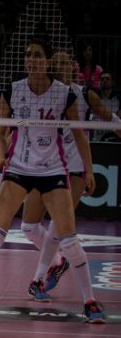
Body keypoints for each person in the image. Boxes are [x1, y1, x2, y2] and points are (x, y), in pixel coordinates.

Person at [0, 39, 106, 324]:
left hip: (53, 170)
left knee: (69, 240)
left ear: (47, 61)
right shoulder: (12, 90)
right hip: (19, 168)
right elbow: (1, 132)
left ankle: (90, 302)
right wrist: (0, 155)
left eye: (38, 55)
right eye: (28, 55)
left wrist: (89, 171)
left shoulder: (64, 94)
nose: (32, 60)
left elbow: (79, 134)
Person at [19, 50, 120, 301]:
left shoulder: (85, 94)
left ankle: (37, 280)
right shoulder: (43, 91)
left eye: (65, 62)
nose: (60, 65)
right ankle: (58, 260)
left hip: (73, 166)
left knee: (58, 223)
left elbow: (111, 120)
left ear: (73, 67)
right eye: (57, 62)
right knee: (28, 226)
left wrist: (89, 169)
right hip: (45, 165)